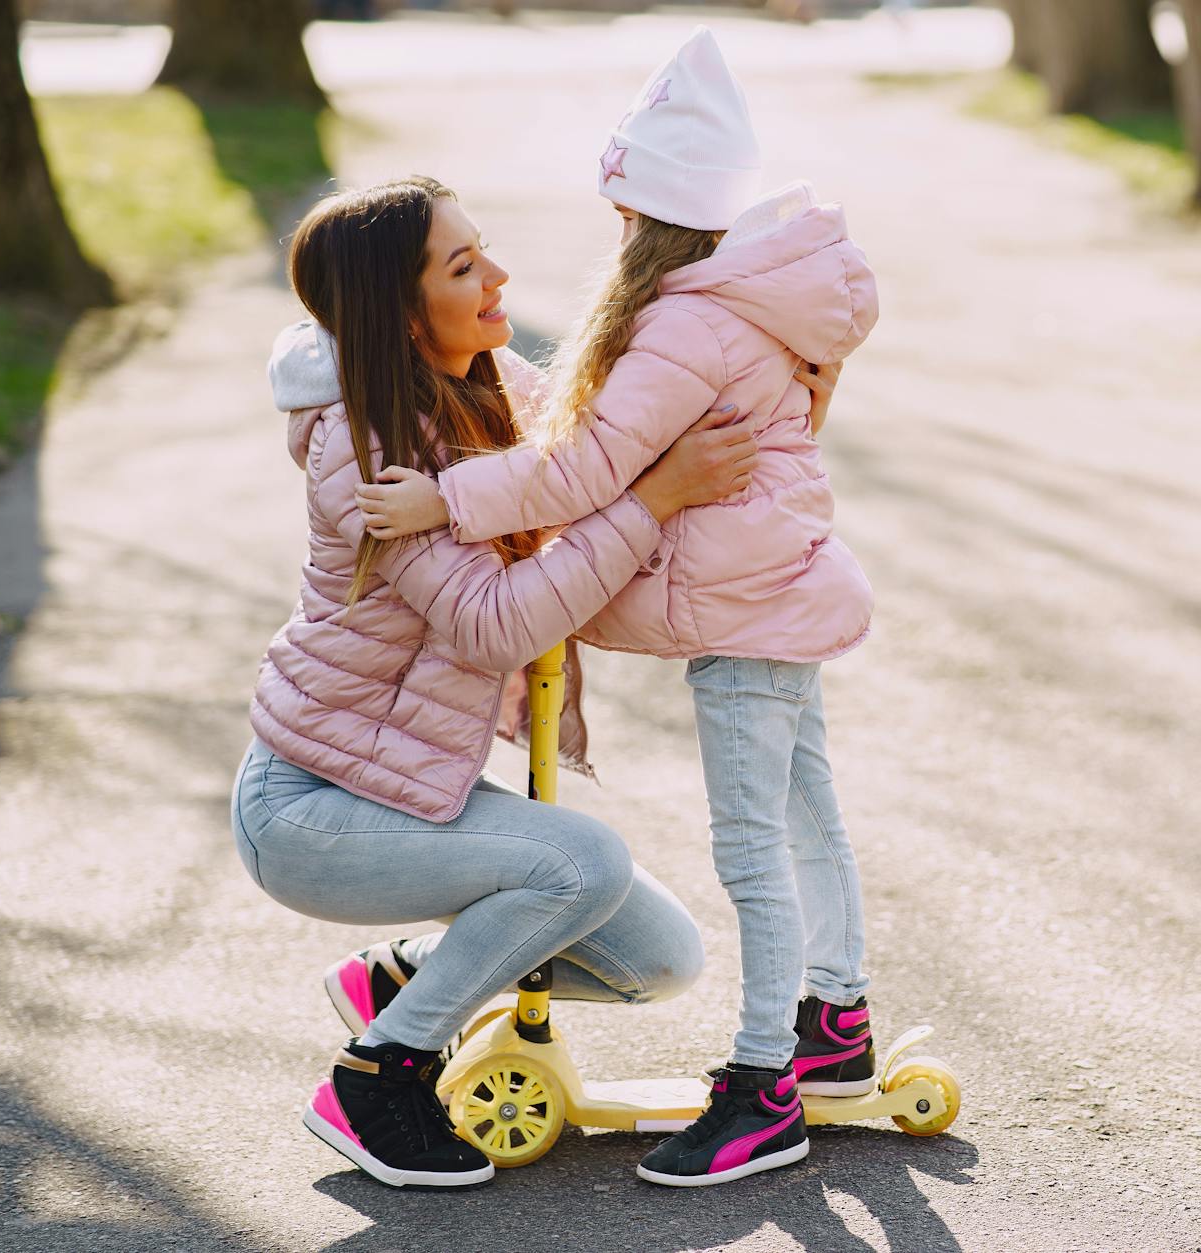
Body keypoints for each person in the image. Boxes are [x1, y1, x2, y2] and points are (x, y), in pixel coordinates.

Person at [353, 29, 880, 1187]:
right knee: (806, 819)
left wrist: (443, 498)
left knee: (753, 849)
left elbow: (584, 468)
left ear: (645, 212)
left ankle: (763, 1088)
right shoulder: (745, 299)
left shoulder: (687, 321)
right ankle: (834, 1023)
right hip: (778, 592)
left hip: (747, 615)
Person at [232, 174, 760, 1190]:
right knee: (582, 864)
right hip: (312, 807)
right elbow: (493, 622)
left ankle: (401, 981)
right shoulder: (363, 448)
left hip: (408, 786)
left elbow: (593, 452)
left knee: (657, 959)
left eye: (484, 251)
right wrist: (658, 498)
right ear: (400, 310)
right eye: (464, 266)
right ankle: (379, 1074)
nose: (499, 277)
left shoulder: (487, 381)